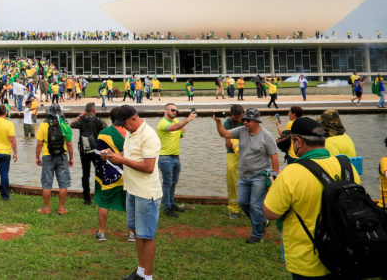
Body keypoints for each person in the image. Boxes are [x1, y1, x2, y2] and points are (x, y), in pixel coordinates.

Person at [263, 117, 361, 279]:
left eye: (293, 140)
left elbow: (270, 213)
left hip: (308, 260)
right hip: (345, 252)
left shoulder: (291, 173)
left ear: (299, 142)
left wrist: (273, 186)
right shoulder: (347, 166)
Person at [103, 105, 161, 280]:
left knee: (147, 235)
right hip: (132, 190)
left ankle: (148, 277)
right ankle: (140, 271)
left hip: (146, 193)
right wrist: (114, 155)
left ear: (134, 119)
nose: (123, 128)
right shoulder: (131, 132)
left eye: (125, 124)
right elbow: (127, 154)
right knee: (136, 232)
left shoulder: (149, 136)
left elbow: (149, 167)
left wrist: (123, 160)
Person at [213, 108, 279, 243]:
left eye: (248, 120)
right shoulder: (242, 131)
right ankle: (261, 221)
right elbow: (224, 134)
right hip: (244, 176)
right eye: (244, 120)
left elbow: (274, 157)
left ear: (256, 121)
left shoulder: (266, 136)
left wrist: (274, 177)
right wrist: (218, 122)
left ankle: (257, 235)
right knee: (242, 202)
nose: (245, 122)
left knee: (255, 205)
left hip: (259, 176)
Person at [93, 110, 130, 242]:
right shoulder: (131, 133)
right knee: (129, 202)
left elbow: (98, 155)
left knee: (104, 202)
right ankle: (132, 233)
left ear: (110, 118)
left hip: (110, 173)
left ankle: (101, 232)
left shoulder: (104, 134)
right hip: (129, 171)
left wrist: (99, 176)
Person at [155, 103, 197, 217]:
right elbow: (175, 128)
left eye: (176, 111)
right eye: (172, 110)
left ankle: (171, 203)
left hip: (175, 156)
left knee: (173, 182)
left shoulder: (175, 121)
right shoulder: (163, 123)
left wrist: (182, 131)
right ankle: (167, 207)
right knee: (168, 182)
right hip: (165, 157)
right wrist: (188, 119)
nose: (175, 112)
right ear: (166, 111)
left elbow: (179, 134)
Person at [35, 104, 73, 215]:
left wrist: (37, 156)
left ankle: (46, 208)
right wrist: (71, 158)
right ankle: (61, 208)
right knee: (63, 183)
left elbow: (39, 143)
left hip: (47, 156)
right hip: (62, 155)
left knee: (47, 182)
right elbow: (69, 144)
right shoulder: (65, 125)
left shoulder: (43, 125)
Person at [70, 102, 104, 205]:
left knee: (85, 174)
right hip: (97, 150)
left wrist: (81, 115)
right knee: (100, 173)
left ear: (85, 111)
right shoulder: (99, 121)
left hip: (84, 150)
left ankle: (87, 198)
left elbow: (71, 124)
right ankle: (100, 197)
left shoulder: (81, 121)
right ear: (94, 111)